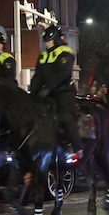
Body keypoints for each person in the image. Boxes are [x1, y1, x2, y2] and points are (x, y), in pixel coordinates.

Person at [29, 24, 83, 163]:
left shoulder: (66, 53)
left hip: (63, 93)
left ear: (57, 39)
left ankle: (77, 148)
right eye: (46, 41)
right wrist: (33, 91)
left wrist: (48, 88)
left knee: (65, 118)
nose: (47, 43)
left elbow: (62, 74)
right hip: (47, 94)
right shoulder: (43, 56)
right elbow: (38, 75)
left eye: (49, 40)